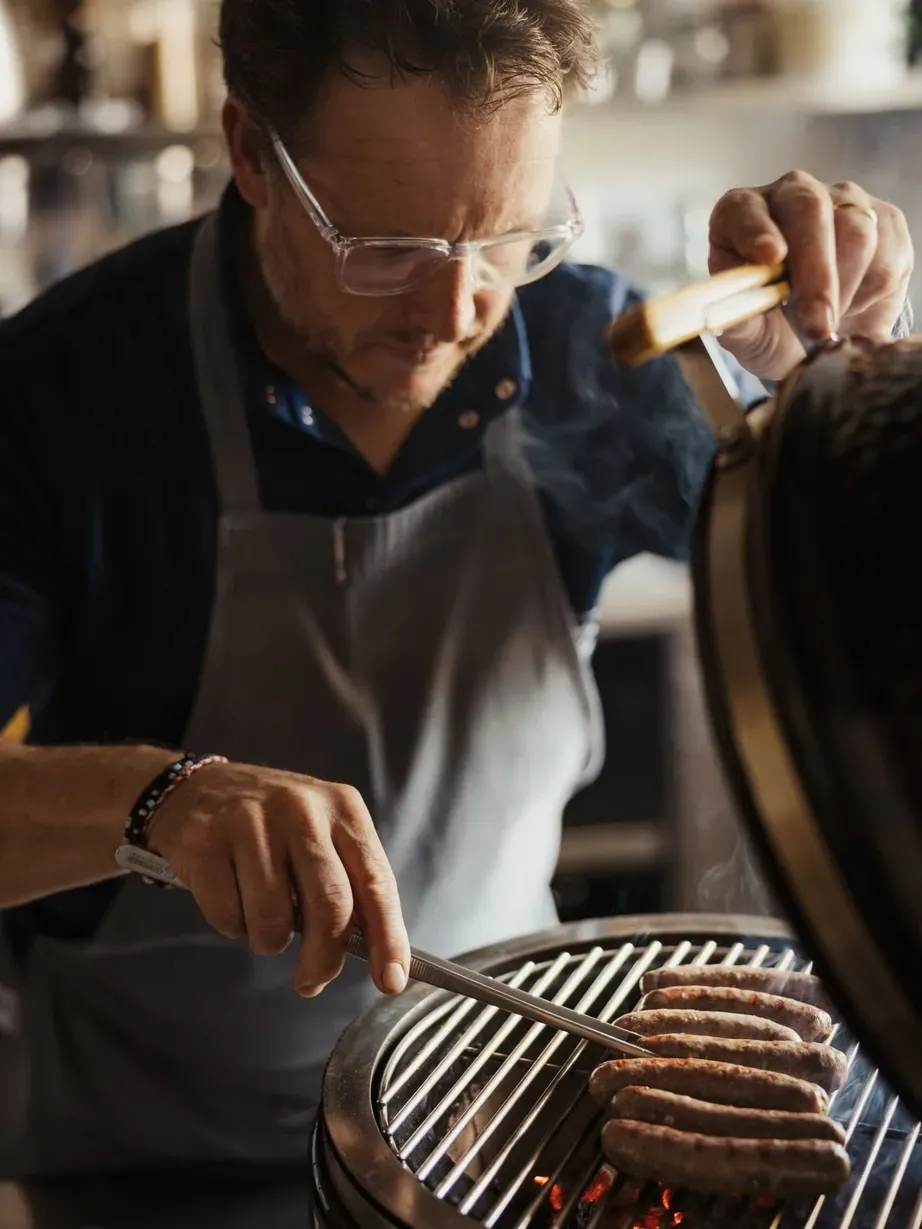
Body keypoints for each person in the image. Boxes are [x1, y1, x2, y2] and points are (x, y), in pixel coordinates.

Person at [0, 0, 912, 1177]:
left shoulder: (595, 349)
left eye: (507, 238)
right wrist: (152, 800)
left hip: (492, 1128)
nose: (457, 313)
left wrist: (844, 384)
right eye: (387, 249)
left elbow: (856, 592)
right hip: (160, 1158)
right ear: (249, 154)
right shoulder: (62, 396)